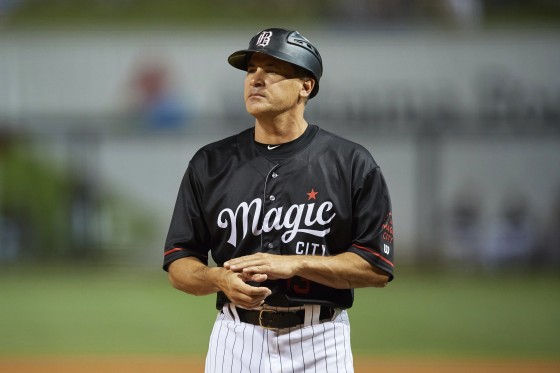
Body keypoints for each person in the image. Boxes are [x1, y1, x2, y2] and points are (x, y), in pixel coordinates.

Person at [163, 27, 395, 373]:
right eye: (251, 69)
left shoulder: (350, 163)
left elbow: (376, 267)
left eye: (272, 68)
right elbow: (180, 262)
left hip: (321, 340)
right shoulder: (210, 163)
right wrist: (218, 279)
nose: (256, 78)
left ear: (306, 86)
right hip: (236, 338)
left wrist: (295, 263)